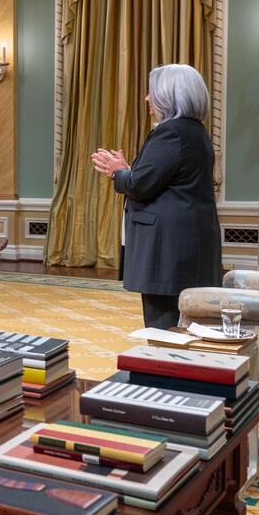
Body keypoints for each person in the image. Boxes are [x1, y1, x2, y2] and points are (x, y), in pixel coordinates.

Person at [91, 63, 220, 328]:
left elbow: (140, 186)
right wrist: (127, 171)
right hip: (186, 243)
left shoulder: (170, 132)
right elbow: (160, 179)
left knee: (164, 327)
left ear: (170, 95)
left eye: (152, 92)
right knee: (182, 323)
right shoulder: (194, 131)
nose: (147, 98)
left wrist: (119, 173)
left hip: (167, 250)